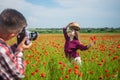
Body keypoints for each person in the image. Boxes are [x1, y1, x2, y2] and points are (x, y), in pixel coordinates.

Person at [0, 8, 32, 80]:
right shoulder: (2, 50)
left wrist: (15, 47)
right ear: (11, 35)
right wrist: (19, 51)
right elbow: (19, 74)